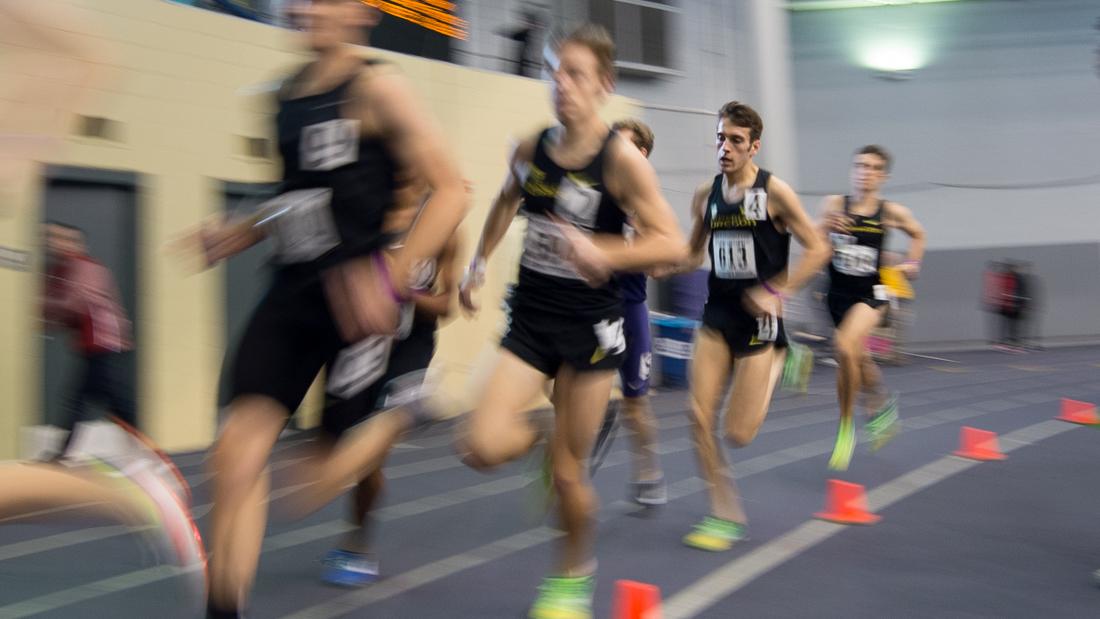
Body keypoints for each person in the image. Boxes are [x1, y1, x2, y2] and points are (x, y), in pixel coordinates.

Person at [191, 2, 467, 616]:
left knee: (315, 484)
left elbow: (453, 190)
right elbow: (295, 200)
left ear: (360, 12)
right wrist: (241, 229)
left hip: (355, 313)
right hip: (290, 296)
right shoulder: (283, 96)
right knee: (231, 459)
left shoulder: (378, 88)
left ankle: (402, 412)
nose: (308, 8)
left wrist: (392, 279)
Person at [457, 24, 687, 619]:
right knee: (479, 445)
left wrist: (604, 252)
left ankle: (573, 575)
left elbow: (671, 244)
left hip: (590, 328)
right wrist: (479, 260)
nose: (562, 84)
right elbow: (507, 200)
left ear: (605, 85)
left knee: (568, 476)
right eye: (555, 72)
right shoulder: (534, 148)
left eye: (576, 74)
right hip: (532, 319)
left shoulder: (622, 160)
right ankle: (540, 432)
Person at [679, 101, 829, 552]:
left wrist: (777, 294)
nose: (725, 147)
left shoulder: (775, 192)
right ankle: (724, 512)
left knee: (738, 434)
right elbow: (690, 254)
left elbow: (818, 249)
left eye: (735, 140)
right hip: (718, 313)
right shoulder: (705, 195)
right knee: (697, 416)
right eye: (721, 138)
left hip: (761, 321)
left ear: (754, 146)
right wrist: (644, 261)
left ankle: (783, 354)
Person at [821, 144, 925, 471]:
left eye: (873, 167)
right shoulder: (835, 204)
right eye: (860, 166)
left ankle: (846, 426)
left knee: (844, 347)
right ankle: (880, 401)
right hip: (837, 295)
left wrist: (912, 262)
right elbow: (812, 237)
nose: (865, 172)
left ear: (883, 175)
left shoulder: (890, 211)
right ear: (853, 170)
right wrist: (827, 228)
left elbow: (918, 234)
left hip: (872, 293)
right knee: (857, 356)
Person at [42, 221, 137, 459]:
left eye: (61, 238)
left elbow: (75, 301)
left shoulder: (87, 267)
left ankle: (146, 451)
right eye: (51, 237)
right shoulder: (60, 270)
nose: (54, 243)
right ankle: (61, 454)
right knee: (78, 401)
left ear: (77, 243)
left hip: (106, 344)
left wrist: (46, 312)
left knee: (116, 404)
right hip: (91, 347)